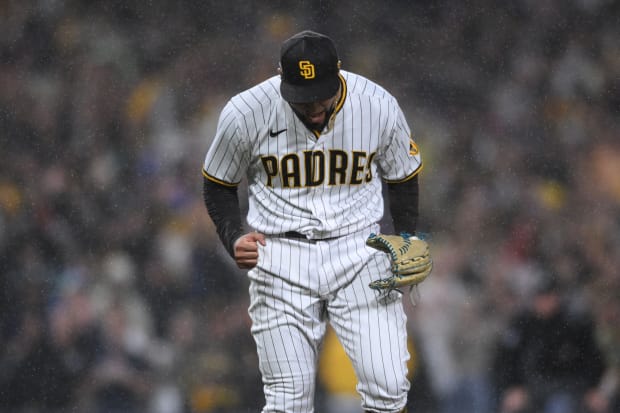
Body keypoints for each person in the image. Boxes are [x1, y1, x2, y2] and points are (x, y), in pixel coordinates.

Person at [202, 30, 426, 413]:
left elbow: (403, 176)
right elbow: (218, 183)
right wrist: (232, 235)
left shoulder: (377, 104)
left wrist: (406, 237)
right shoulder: (245, 113)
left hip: (360, 249)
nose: (314, 107)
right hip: (280, 254)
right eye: (303, 99)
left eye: (322, 94)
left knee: (388, 387)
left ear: (338, 72)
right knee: (287, 401)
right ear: (281, 77)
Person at [492, 275, 605, 413]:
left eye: (547, 296)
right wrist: (511, 386)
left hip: (569, 388)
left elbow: (592, 360)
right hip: (529, 389)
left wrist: (591, 387)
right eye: (539, 297)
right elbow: (505, 360)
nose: (543, 302)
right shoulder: (522, 324)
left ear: (556, 297)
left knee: (561, 406)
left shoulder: (574, 325)